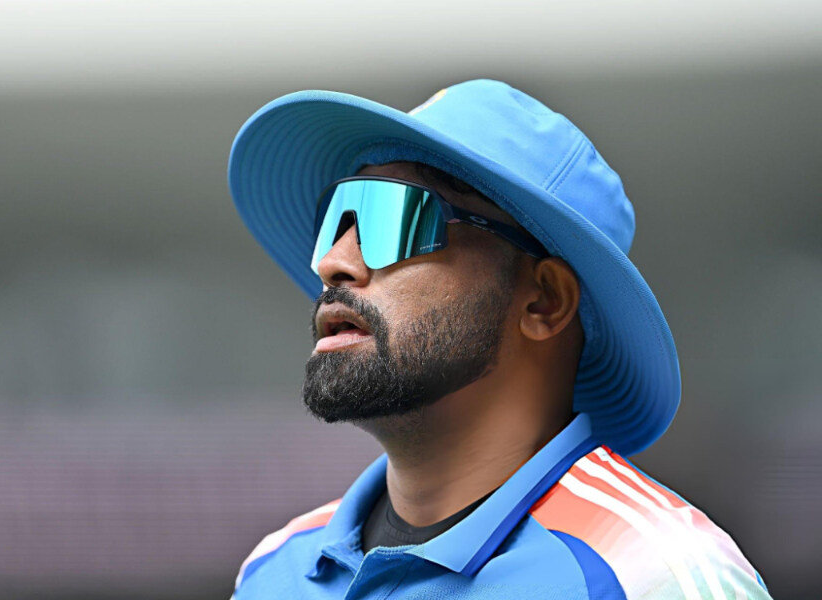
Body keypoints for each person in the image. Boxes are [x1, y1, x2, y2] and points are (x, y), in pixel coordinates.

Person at [226, 80, 770, 599]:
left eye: (393, 216)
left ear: (544, 301)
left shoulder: (653, 574)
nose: (333, 262)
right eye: (336, 223)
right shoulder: (271, 571)